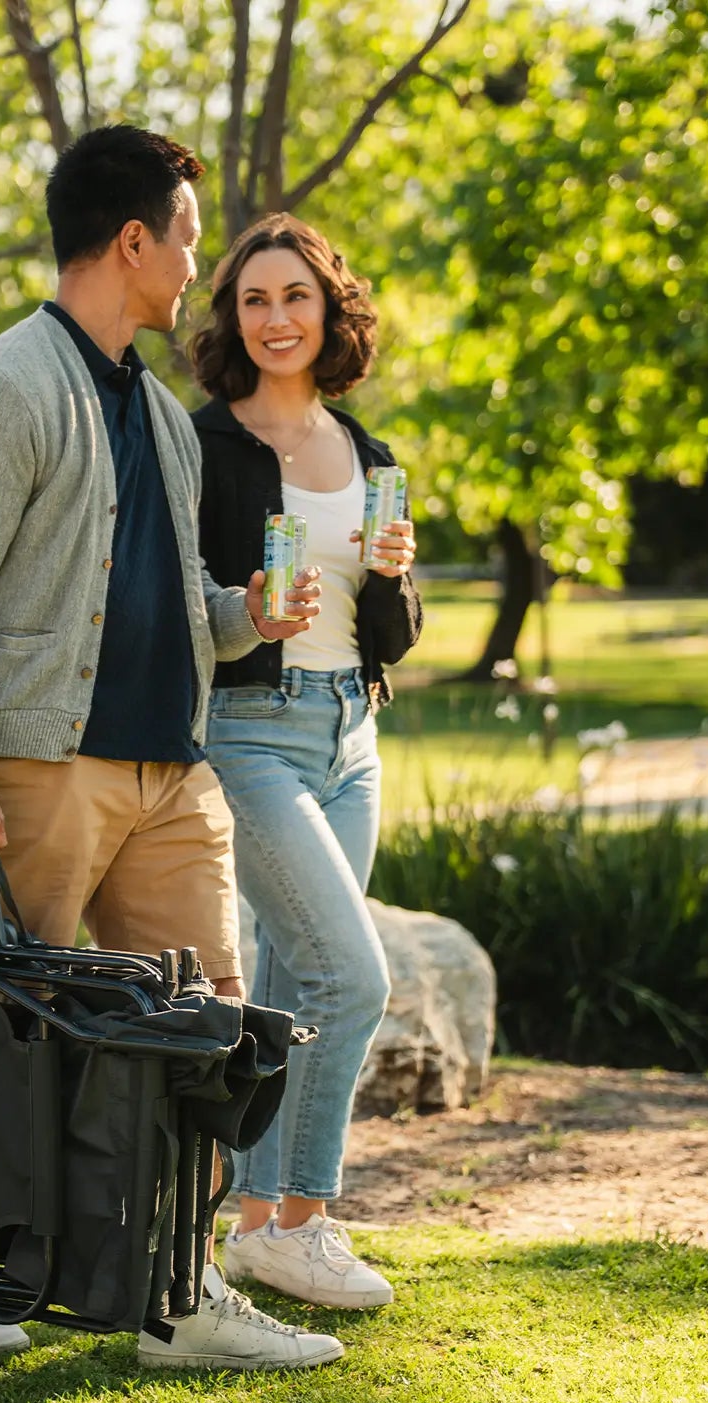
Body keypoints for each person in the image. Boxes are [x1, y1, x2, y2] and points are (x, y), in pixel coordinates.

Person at [0, 128, 342, 1370]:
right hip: (44, 769)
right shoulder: (3, 388)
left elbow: (168, 592)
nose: (200, 261)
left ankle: (178, 1292)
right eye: (192, 238)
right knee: (17, 1033)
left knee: (202, 1035)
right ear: (133, 240)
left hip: (168, 772)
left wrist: (245, 616)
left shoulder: (157, 407)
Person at [188, 213, 423, 1309]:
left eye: (296, 297)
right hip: (250, 732)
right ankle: (310, 1219)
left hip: (352, 734)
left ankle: (258, 1227)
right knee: (353, 974)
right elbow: (179, 609)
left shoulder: (367, 454)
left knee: (294, 991)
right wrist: (250, 613)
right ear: (234, 319)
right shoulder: (204, 445)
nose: (276, 318)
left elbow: (396, 633)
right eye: (254, 299)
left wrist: (392, 578)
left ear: (330, 311)